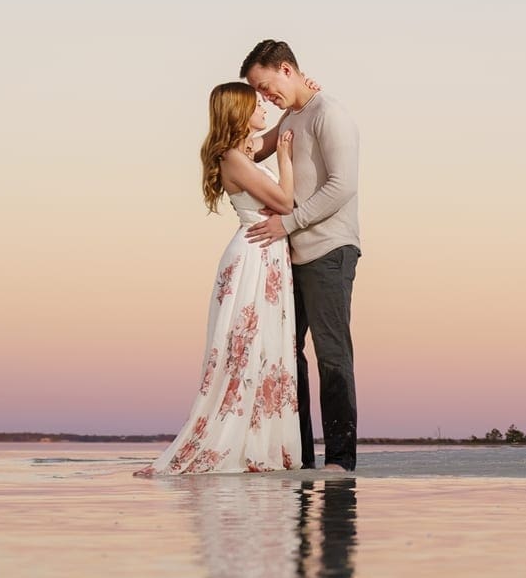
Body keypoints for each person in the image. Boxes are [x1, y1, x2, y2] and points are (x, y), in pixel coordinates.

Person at [136, 83, 303, 476]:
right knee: (246, 349)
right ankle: (237, 441)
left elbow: (281, 125)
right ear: (238, 113)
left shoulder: (242, 152)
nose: (263, 106)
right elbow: (283, 202)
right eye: (255, 104)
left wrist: (299, 97)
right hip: (254, 256)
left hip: (268, 255)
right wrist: (285, 160)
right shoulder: (232, 157)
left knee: (267, 349)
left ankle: (263, 441)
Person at [239, 40, 363, 473]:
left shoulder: (330, 114)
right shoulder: (294, 114)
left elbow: (342, 186)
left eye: (266, 86)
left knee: (332, 354)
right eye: (257, 92)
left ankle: (341, 459)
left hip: (330, 250)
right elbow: (249, 150)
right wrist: (222, 127)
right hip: (291, 256)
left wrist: (287, 225)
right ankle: (301, 454)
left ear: (287, 69)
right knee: (286, 353)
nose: (264, 98)